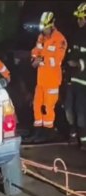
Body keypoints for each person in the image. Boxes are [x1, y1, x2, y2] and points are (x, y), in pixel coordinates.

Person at [27, 11, 67, 143]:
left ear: (51, 25)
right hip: (41, 80)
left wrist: (41, 59)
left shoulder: (60, 40)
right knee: (37, 105)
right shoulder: (41, 37)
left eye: (45, 28)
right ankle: (37, 131)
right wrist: (34, 59)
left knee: (48, 108)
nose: (43, 31)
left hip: (52, 81)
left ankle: (48, 132)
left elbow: (57, 60)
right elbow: (35, 51)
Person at [65, 2, 86, 150]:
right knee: (68, 109)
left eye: (81, 18)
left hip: (84, 82)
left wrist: (78, 63)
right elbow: (69, 55)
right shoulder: (76, 34)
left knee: (81, 112)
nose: (79, 21)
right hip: (72, 80)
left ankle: (83, 140)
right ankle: (73, 135)